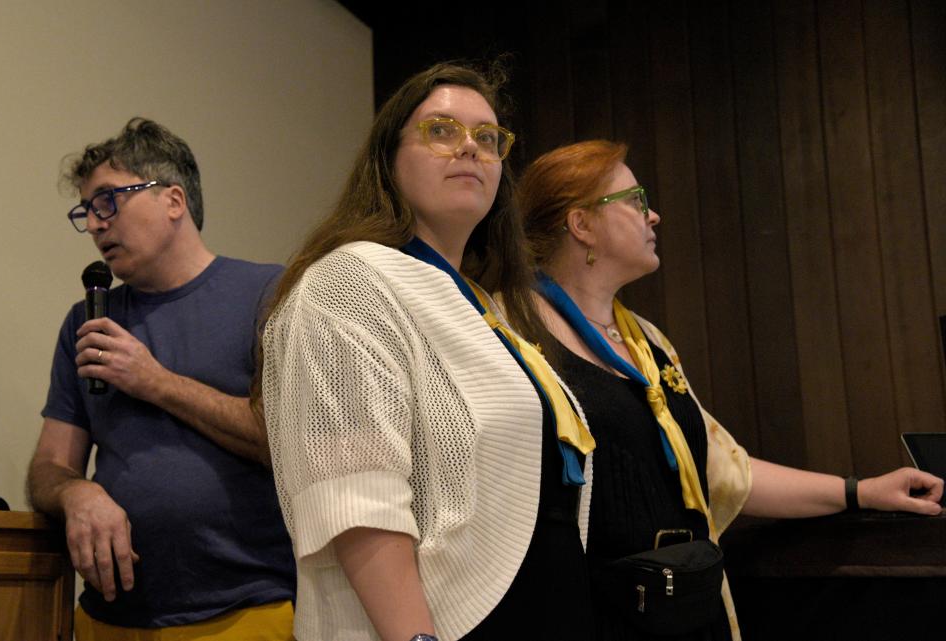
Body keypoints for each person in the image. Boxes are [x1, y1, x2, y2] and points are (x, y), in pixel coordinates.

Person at [514, 139, 945, 641]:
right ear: (581, 224)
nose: (654, 215)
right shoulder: (514, 335)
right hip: (590, 615)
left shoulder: (647, 340)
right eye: (634, 201)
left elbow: (723, 471)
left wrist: (861, 491)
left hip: (682, 609)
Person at [255, 62, 596, 641]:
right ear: (388, 161)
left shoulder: (484, 305)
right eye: (442, 130)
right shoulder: (348, 283)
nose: (470, 148)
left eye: (488, 138)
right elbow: (357, 499)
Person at [28, 118, 296, 640]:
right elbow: (48, 466)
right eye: (86, 211)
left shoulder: (268, 292)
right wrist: (75, 494)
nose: (96, 224)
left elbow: (286, 442)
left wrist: (154, 381)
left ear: (174, 200)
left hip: (244, 613)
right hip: (108, 618)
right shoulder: (86, 321)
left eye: (108, 201)